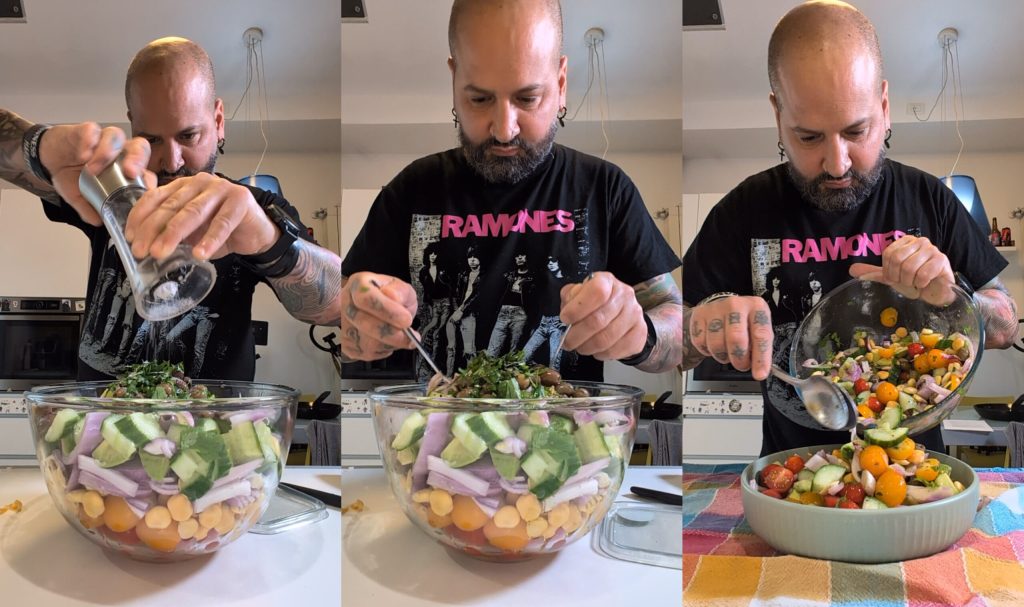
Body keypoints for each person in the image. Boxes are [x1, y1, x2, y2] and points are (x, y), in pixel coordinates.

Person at [681, 0, 1019, 457]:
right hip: (791, 477)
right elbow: (672, 343)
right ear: (777, 114)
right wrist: (703, 325)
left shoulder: (931, 199)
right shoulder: (741, 211)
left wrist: (952, 296)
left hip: (912, 474)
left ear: (884, 106)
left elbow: (1005, 324)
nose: (837, 163)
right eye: (808, 137)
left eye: (856, 132)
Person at [340, 0, 682, 381]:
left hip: (566, 437)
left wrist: (642, 335)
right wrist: (357, 322)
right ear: (454, 81)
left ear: (561, 84)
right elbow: (342, 309)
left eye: (527, 99)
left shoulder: (605, 187)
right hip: (438, 437)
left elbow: (674, 321)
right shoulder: (410, 189)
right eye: (480, 99)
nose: (504, 129)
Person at [0, 37, 342, 381]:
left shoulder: (256, 206)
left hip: (214, 427)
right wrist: (38, 146)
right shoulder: (111, 188)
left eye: (189, 135)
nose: (172, 162)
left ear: (219, 120)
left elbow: (338, 306)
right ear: (132, 124)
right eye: (151, 140)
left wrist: (271, 244)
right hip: (104, 425)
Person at [485, 250, 535, 357]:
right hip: (503, 312)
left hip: (520, 314)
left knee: (515, 350)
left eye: (522, 254)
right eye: (517, 256)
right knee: (492, 350)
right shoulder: (508, 275)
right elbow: (496, 293)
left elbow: (535, 301)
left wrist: (530, 317)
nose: (519, 258)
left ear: (528, 257)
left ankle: (512, 372)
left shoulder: (532, 277)